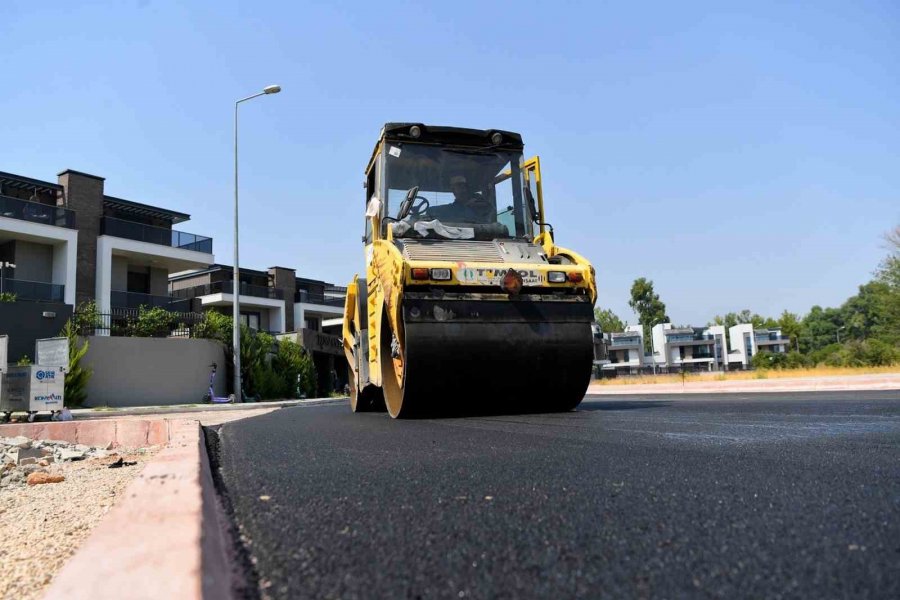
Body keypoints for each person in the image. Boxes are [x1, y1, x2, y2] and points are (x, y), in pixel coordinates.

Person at [426, 175, 494, 223]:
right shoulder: (452, 208)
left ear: (466, 188)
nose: (461, 189)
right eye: (457, 187)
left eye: (462, 186)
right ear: (453, 190)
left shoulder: (479, 200)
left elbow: (489, 210)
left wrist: (475, 204)